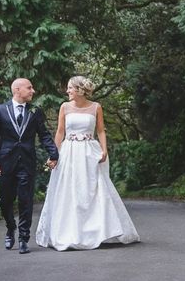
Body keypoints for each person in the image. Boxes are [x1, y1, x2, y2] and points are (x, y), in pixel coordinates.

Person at [35, 75, 140, 251]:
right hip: (69, 151)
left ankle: (99, 231)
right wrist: (54, 154)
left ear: (79, 90)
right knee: (69, 189)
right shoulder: (65, 107)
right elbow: (60, 132)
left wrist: (104, 149)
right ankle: (69, 232)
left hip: (90, 151)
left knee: (94, 188)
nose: (67, 91)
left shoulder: (96, 107)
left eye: (70, 88)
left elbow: (101, 130)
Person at [0, 78, 58, 254]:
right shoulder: (0, 110)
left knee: (26, 201)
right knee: (5, 201)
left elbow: (44, 135)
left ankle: (23, 238)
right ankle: (11, 229)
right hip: (5, 163)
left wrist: (54, 153)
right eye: (29, 88)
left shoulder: (35, 111)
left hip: (27, 163)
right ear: (17, 90)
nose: (33, 91)